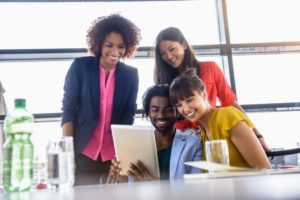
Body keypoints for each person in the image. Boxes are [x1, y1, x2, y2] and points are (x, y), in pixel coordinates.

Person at [153, 26, 270, 152]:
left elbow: (230, 103)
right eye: (163, 53)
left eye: (172, 49)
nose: (169, 56)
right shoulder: (164, 81)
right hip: (183, 143)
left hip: (212, 137)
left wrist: (256, 135)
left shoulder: (210, 69)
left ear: (184, 45)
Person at [61, 14, 141, 185]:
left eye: (121, 46)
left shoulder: (130, 75)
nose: (115, 52)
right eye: (109, 45)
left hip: (113, 156)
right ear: (99, 44)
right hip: (83, 151)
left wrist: (123, 157)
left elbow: (128, 117)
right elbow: (68, 111)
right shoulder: (80, 67)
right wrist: (67, 155)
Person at [169, 69, 271, 169]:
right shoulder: (202, 133)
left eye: (189, 100)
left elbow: (263, 168)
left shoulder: (227, 116)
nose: (185, 109)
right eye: (179, 105)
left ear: (204, 94)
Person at [107, 85, 202, 183]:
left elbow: (196, 190)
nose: (161, 115)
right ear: (148, 112)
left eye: (168, 110)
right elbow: (127, 191)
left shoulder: (193, 145)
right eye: (155, 110)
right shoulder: (135, 144)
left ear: (177, 112)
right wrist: (122, 180)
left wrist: (156, 185)